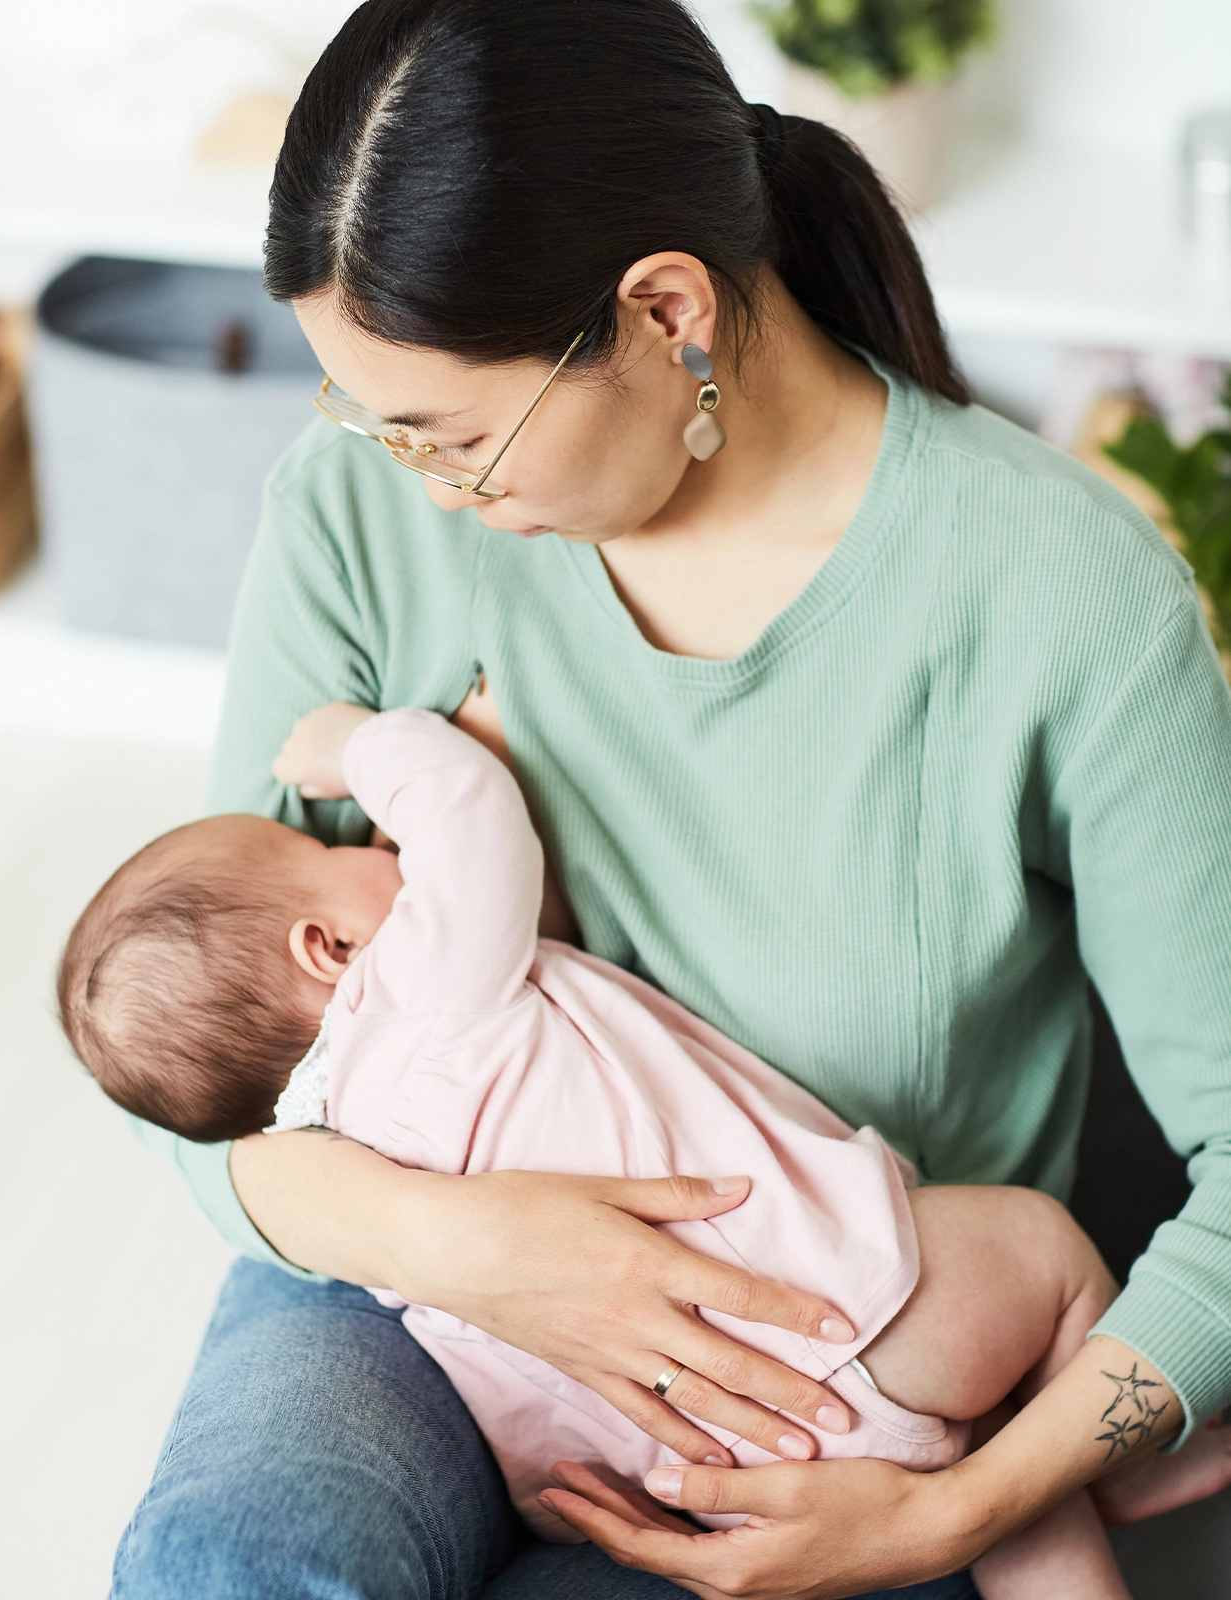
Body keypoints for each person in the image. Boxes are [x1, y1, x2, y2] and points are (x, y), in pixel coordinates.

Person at [111, 2, 1231, 1597]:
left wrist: (953, 1513)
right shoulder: (362, 511)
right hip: (419, 1282)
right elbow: (197, 1065)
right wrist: (485, 1253)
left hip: (844, 1336)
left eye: (454, 440)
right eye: (374, 424)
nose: (420, 489)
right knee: (237, 1563)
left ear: (664, 313)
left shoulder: (1058, 599)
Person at [65, 703, 1231, 1599]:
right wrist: (357, 745)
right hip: (849, 1329)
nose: (375, 852)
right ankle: (1111, 1461)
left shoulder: (340, 1156)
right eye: (328, 849)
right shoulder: (418, 988)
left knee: (983, 1457)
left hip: (696, 1477)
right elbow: (467, 805)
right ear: (327, 944)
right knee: (1033, 1241)